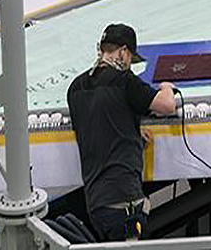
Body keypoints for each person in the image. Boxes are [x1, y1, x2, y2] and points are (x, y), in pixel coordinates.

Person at [67, 24, 176, 241]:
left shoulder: (75, 88)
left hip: (96, 203)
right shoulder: (124, 81)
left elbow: (99, 123)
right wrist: (167, 88)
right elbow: (167, 105)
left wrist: (132, 134)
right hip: (124, 202)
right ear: (124, 52)